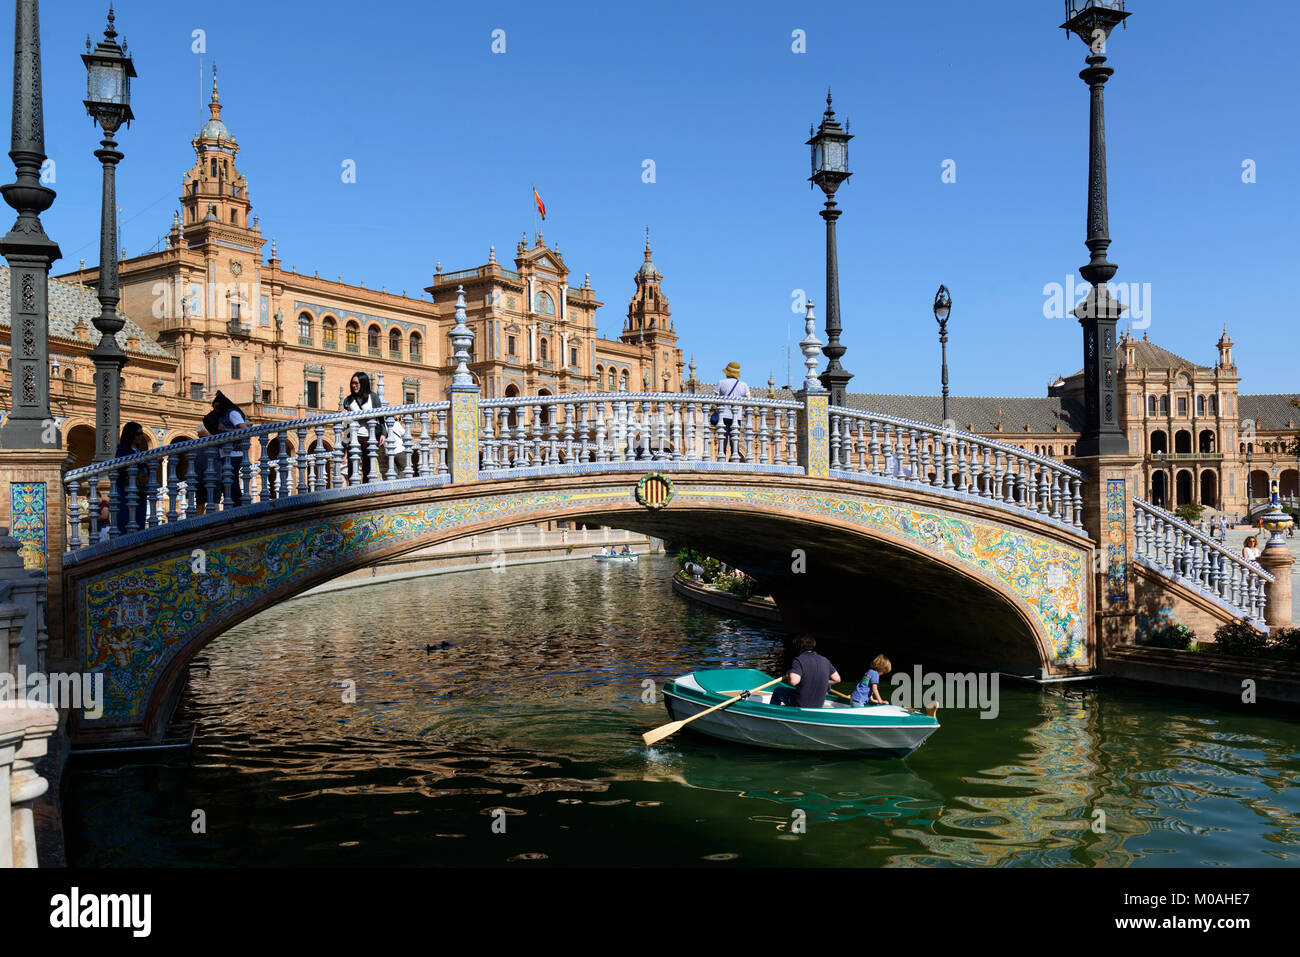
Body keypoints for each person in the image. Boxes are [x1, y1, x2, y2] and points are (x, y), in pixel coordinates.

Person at [773, 634, 840, 708]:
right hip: (818, 705)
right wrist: (821, 681)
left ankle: (772, 713)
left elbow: (794, 681)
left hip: (800, 704)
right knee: (828, 686)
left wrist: (789, 674)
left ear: (798, 647)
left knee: (778, 690)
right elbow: (837, 679)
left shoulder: (798, 660)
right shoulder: (825, 660)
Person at [344, 371, 386, 484]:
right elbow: (347, 423)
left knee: (368, 467)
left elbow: (381, 419)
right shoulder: (348, 400)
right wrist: (344, 445)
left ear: (363, 383)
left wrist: (383, 433)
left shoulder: (374, 398)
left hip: (370, 437)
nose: (354, 386)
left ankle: (366, 491)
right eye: (352, 383)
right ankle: (353, 493)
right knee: (352, 466)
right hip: (354, 437)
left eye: (357, 383)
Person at [209, 391, 247, 507]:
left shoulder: (233, 413)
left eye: (218, 407)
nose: (216, 410)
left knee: (231, 480)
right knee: (226, 481)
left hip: (234, 453)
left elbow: (244, 429)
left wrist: (225, 430)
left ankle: (237, 505)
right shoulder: (222, 416)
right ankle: (232, 504)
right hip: (225, 454)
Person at [113, 421, 150, 533]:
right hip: (127, 492)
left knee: (139, 523)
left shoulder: (139, 450)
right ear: (130, 434)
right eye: (138, 434)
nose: (140, 436)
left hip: (141, 491)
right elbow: (122, 468)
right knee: (126, 522)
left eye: (141, 434)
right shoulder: (123, 449)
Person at [712, 362, 750, 462]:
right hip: (737, 417)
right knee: (735, 439)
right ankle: (735, 460)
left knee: (722, 439)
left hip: (723, 415)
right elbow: (749, 400)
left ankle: (721, 459)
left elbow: (712, 398)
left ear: (727, 373)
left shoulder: (721, 382)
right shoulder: (744, 385)